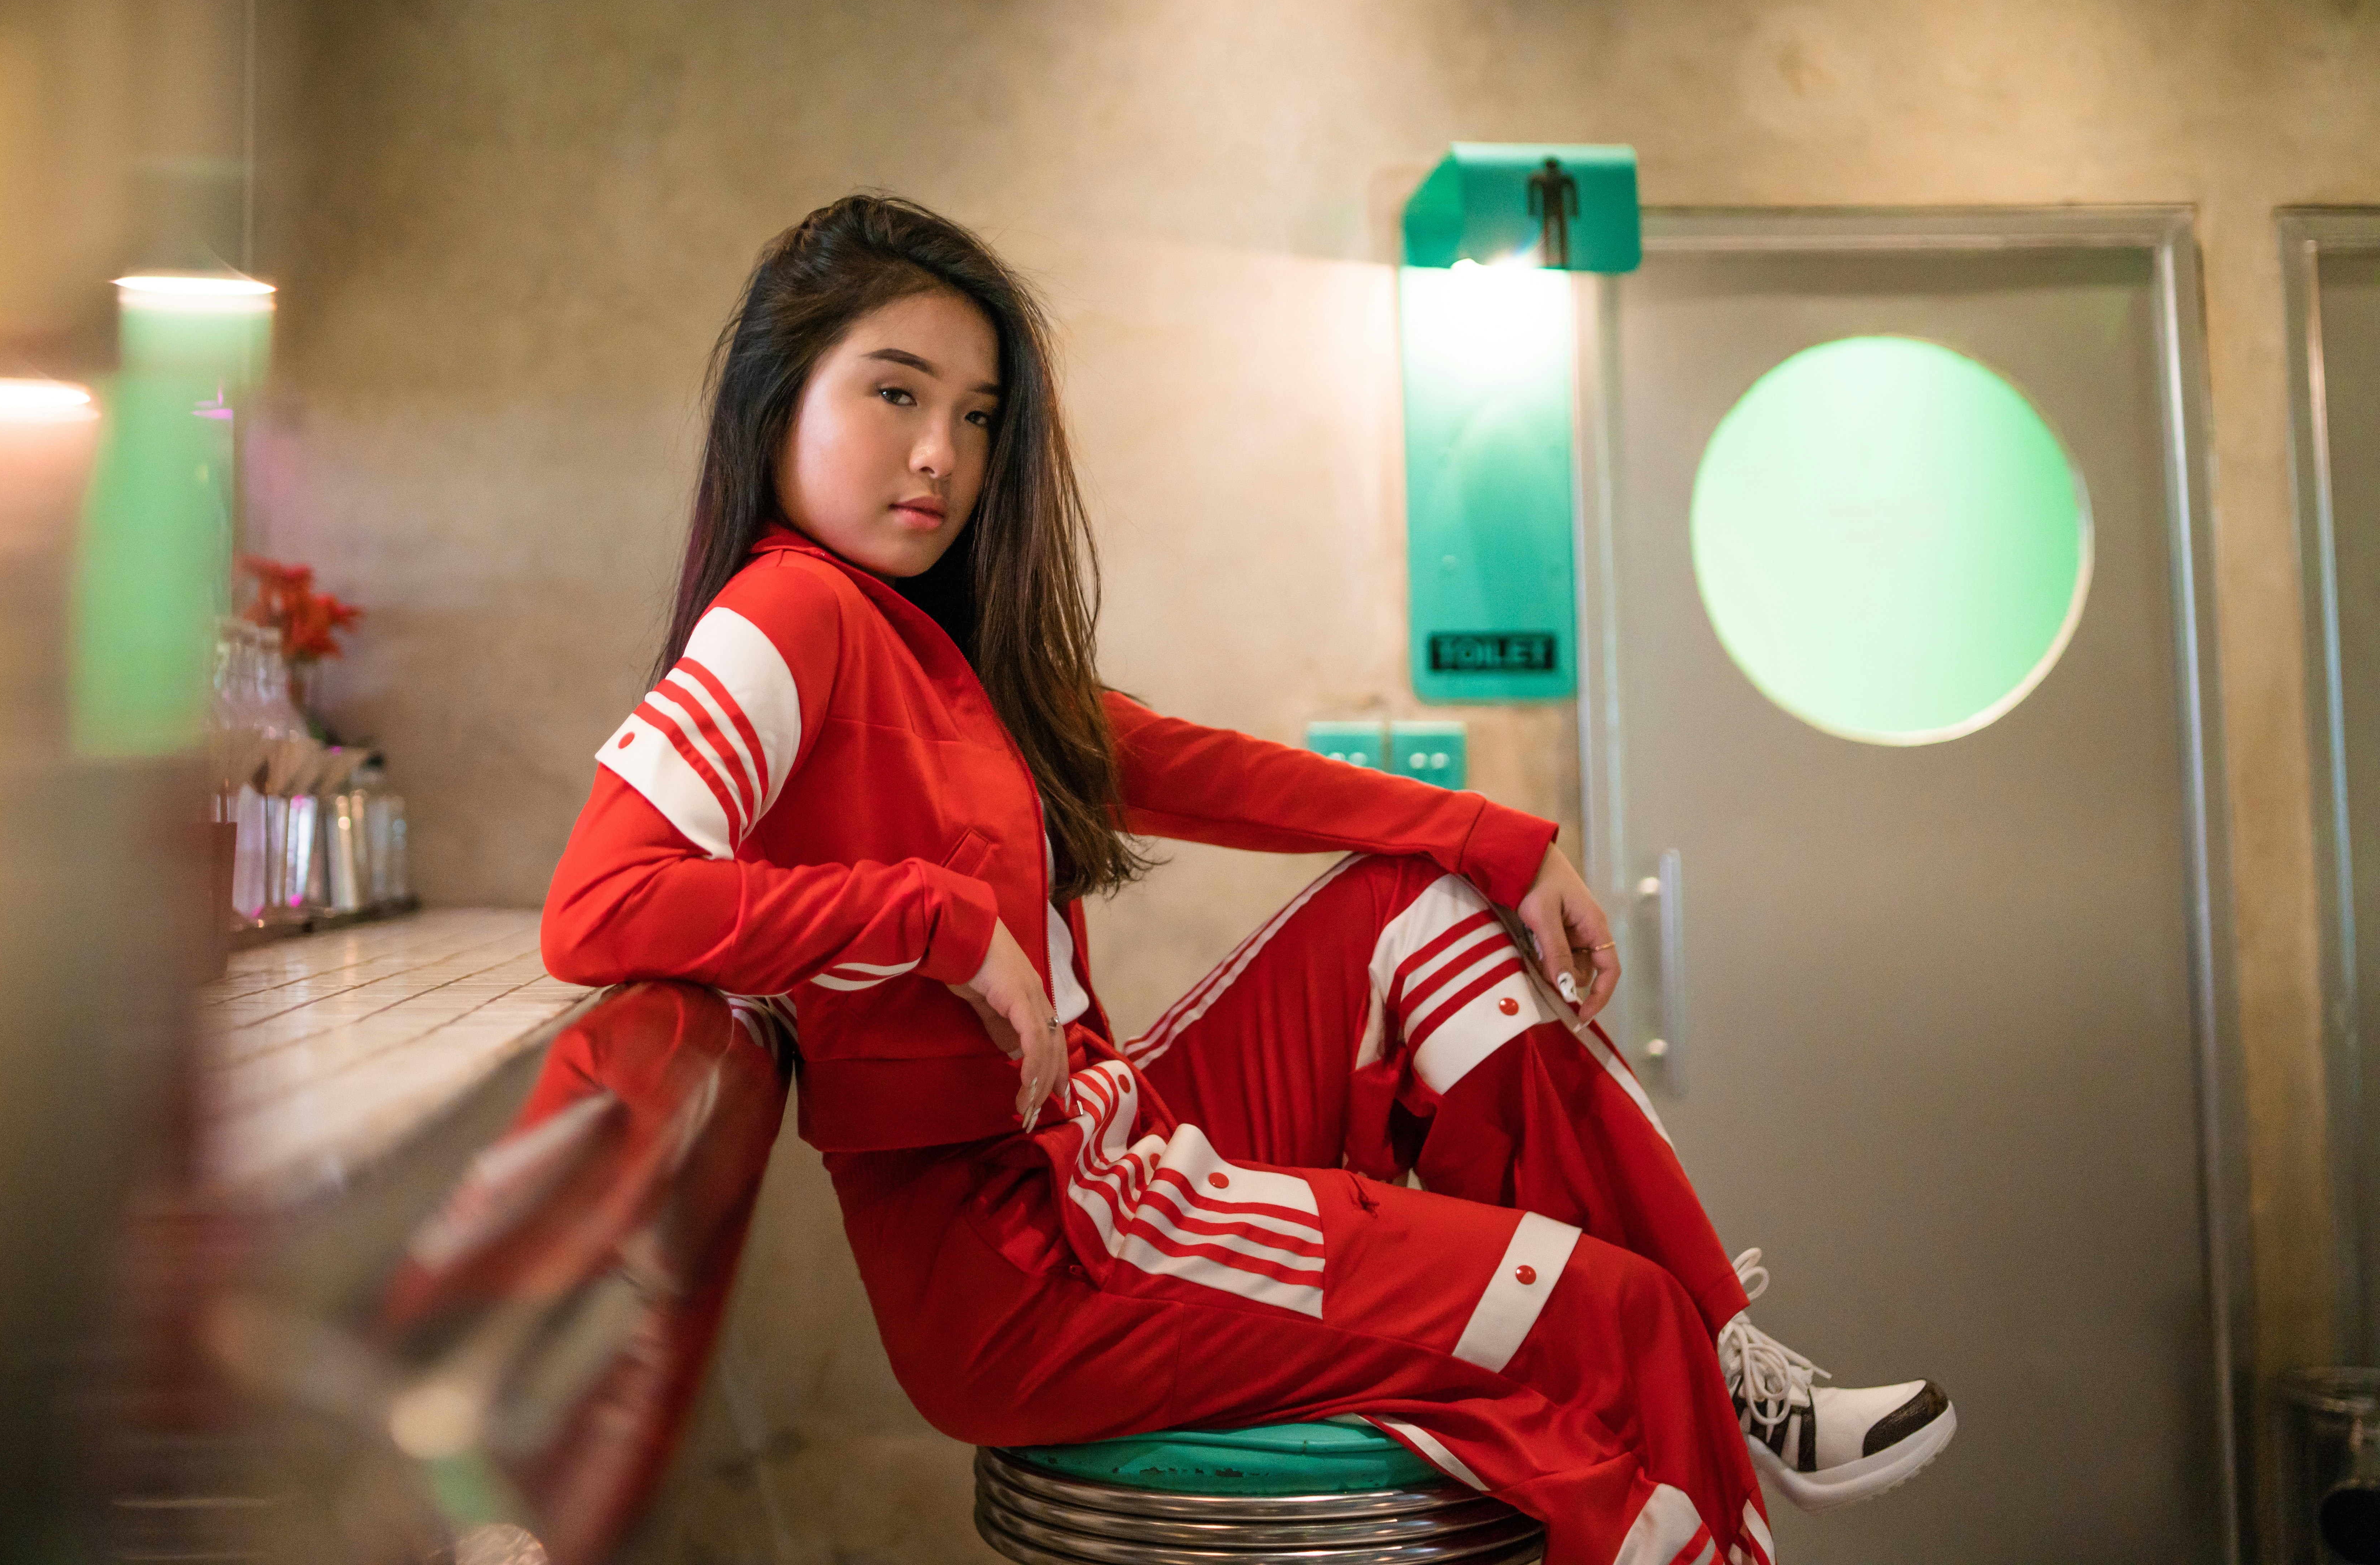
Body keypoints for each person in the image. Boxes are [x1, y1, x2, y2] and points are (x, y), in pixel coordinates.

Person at [542, 195, 1954, 1565]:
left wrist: (1492, 833)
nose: (939, 456)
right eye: (896, 394)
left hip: (1097, 1148)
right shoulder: (786, 611)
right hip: (1023, 1258)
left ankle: (1723, 1357)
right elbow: (601, 905)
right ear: (776, 402)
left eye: (976, 416)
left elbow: (1210, 774)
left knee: (1422, 909)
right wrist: (935, 923)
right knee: (1602, 1315)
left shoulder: (931, 640)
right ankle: (1698, 1371)